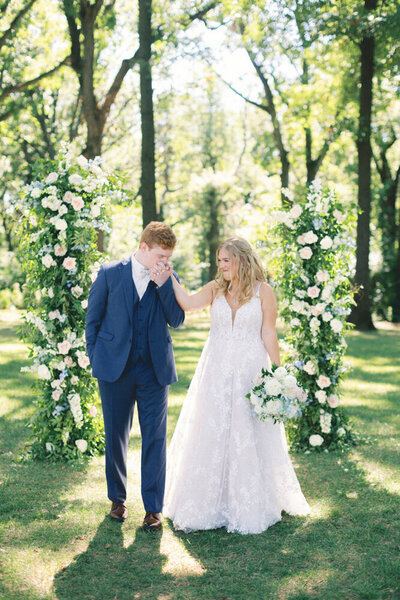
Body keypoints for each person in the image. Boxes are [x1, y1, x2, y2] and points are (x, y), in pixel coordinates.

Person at [152, 237, 310, 534]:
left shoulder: (265, 292)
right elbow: (187, 303)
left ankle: (250, 498)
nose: (221, 266)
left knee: (248, 430)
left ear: (242, 259)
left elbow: (268, 333)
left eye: (226, 260)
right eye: (219, 261)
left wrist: (277, 375)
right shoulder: (216, 289)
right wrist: (169, 278)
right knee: (212, 429)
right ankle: (210, 499)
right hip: (216, 370)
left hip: (251, 370)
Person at [85, 222, 185, 531]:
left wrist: (164, 284)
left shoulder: (168, 276)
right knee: (116, 434)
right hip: (115, 368)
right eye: (160, 255)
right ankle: (117, 499)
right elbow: (93, 320)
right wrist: (95, 357)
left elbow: (177, 319)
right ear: (143, 247)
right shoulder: (109, 273)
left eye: (169, 256)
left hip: (154, 369)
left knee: (155, 437)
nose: (164, 262)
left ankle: (153, 508)